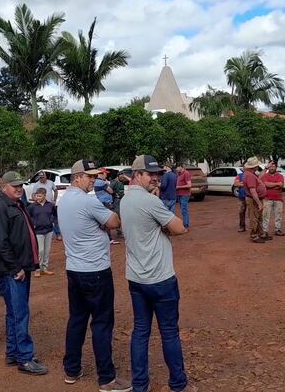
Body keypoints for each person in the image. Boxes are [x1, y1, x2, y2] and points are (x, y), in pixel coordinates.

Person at [121, 155, 195, 392]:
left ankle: (140, 385)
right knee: (169, 333)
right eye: (150, 174)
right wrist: (165, 225)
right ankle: (178, 383)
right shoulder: (150, 202)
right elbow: (180, 227)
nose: (155, 178)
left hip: (136, 277)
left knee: (141, 332)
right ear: (137, 175)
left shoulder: (125, 199)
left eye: (157, 174)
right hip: (160, 278)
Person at [58, 159, 131, 391]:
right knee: (101, 323)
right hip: (95, 271)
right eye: (90, 176)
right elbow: (114, 221)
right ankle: (107, 379)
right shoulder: (88, 202)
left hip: (74, 269)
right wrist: (102, 224)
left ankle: (72, 369)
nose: (94, 180)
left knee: (77, 319)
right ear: (77, 177)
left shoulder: (64, 200)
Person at [0, 171, 47, 375]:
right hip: (12, 270)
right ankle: (25, 357)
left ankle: (14, 353)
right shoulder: (0, 207)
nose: (19, 189)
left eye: (20, 186)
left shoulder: (16, 204)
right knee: (20, 312)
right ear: (4, 186)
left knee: (14, 312)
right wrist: (16, 268)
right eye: (15, 186)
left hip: (19, 267)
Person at [27, 187, 56, 278]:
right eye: (36, 196)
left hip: (49, 230)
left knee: (47, 251)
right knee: (40, 250)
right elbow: (28, 217)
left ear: (44, 195)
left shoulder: (50, 205)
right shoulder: (32, 206)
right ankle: (37, 269)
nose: (37, 197)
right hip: (38, 231)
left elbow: (55, 214)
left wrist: (52, 221)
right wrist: (33, 224)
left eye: (39, 196)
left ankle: (44, 268)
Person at [29, 171, 61, 240]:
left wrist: (54, 200)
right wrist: (36, 201)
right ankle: (46, 234)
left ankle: (58, 234)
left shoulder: (50, 182)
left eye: (42, 177)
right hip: (41, 206)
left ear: (45, 177)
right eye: (40, 178)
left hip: (50, 205)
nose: (41, 179)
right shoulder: (37, 184)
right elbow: (33, 194)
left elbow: (55, 190)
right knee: (44, 220)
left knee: (54, 219)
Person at [242, 157, 267, 243]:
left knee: (259, 217)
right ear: (254, 167)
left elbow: (259, 177)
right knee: (254, 218)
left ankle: (261, 233)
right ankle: (254, 235)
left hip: (255, 199)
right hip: (253, 199)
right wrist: (259, 203)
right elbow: (253, 191)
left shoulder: (251, 174)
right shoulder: (249, 176)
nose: (257, 167)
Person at [261, 161, 285, 238]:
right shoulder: (265, 175)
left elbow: (281, 185)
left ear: (276, 167)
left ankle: (277, 229)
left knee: (278, 215)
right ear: (268, 167)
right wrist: (276, 184)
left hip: (278, 199)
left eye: (273, 166)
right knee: (265, 215)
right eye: (270, 166)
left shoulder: (280, 176)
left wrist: (271, 184)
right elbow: (265, 184)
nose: (272, 168)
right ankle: (265, 231)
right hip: (267, 199)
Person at [94, 169, 119, 244]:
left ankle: (105, 238)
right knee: (108, 221)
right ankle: (110, 239)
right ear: (101, 173)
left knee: (103, 221)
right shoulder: (102, 182)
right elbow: (110, 191)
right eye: (105, 173)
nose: (106, 175)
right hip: (106, 203)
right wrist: (115, 194)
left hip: (101, 202)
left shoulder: (96, 182)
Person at [110, 171, 129, 238]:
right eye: (121, 177)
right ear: (118, 176)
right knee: (118, 215)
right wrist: (114, 194)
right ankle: (119, 232)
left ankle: (120, 231)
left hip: (121, 200)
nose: (122, 178)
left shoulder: (121, 181)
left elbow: (129, 180)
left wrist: (124, 176)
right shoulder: (114, 182)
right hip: (116, 201)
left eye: (123, 177)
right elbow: (110, 189)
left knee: (122, 215)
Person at [175, 164, 192, 229]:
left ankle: (186, 225)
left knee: (184, 210)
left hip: (185, 195)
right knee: (183, 210)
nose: (176, 169)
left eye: (177, 168)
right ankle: (185, 223)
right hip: (179, 194)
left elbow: (189, 185)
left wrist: (178, 187)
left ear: (181, 167)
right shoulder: (179, 174)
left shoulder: (186, 173)